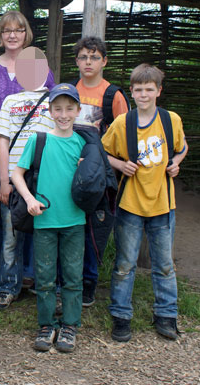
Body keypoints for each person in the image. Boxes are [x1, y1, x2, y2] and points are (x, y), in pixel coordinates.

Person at [102, 64, 187, 343]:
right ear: (132, 91)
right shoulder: (122, 123)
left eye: (149, 89)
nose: (143, 94)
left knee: (164, 264)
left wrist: (175, 163)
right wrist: (120, 165)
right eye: (138, 89)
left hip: (163, 203)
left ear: (159, 91)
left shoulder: (170, 120)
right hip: (130, 204)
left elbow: (182, 147)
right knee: (125, 264)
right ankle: (121, 315)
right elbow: (101, 151)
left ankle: (166, 314)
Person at [0, 11, 55, 290]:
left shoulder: (38, 66)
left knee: (31, 209)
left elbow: (52, 106)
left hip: (31, 158)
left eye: (18, 30)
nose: (12, 35)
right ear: (0, 34)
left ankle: (28, 270)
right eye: (7, 30)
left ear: (26, 34)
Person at [10, 83, 87, 353]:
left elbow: (95, 176)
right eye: (58, 109)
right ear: (50, 110)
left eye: (69, 109)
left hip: (75, 220)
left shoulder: (84, 143)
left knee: (73, 276)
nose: (63, 115)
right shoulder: (38, 140)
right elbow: (17, 173)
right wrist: (29, 199)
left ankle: (70, 325)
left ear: (78, 110)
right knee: (44, 277)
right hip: (44, 220)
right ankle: (46, 325)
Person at [0, 47, 54, 311]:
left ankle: (45, 286)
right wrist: (4, 181)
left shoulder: (54, 101)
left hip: (46, 180)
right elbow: (3, 143)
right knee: (11, 236)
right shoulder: (10, 101)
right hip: (15, 181)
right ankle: (7, 286)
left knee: (46, 236)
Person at [73, 36, 130, 307]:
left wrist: (115, 167)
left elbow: (126, 140)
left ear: (104, 61)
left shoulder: (113, 96)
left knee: (94, 231)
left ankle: (88, 283)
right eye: (83, 57)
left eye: (94, 57)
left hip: (100, 177)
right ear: (76, 61)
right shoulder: (69, 90)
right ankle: (67, 280)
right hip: (70, 172)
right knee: (71, 227)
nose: (89, 62)